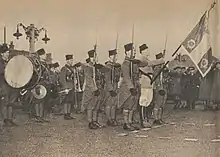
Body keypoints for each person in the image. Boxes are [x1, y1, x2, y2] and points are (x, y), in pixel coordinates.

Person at [118, 43, 140, 131]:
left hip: (134, 87)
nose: (134, 53)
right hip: (127, 89)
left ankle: (130, 122)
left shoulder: (133, 63)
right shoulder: (125, 64)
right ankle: (126, 123)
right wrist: (131, 87)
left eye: (134, 51)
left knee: (132, 106)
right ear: (127, 52)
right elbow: (126, 77)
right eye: (132, 51)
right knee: (127, 106)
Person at [81, 49, 104, 129]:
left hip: (97, 88)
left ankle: (95, 121)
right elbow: (89, 80)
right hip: (91, 90)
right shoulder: (88, 67)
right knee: (90, 107)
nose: (96, 58)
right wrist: (95, 89)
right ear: (91, 58)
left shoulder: (95, 67)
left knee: (96, 106)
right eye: (95, 56)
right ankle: (90, 122)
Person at [0, 45, 19, 126]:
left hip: (10, 84)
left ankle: (10, 119)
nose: (8, 54)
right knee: (5, 102)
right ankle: (5, 119)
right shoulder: (1, 62)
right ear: (2, 54)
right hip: (3, 84)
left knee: (11, 102)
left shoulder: (8, 62)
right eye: (6, 52)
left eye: (8, 52)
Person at [104, 49, 121, 126]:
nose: (116, 57)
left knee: (114, 104)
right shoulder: (108, 66)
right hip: (109, 88)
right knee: (109, 104)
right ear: (111, 56)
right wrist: (110, 89)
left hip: (115, 86)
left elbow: (117, 76)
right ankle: (109, 119)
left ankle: (113, 119)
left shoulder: (115, 66)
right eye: (115, 56)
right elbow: (107, 79)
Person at [152, 53, 167, 125]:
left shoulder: (163, 68)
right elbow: (156, 79)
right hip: (158, 88)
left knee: (162, 104)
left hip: (163, 87)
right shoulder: (156, 69)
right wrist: (159, 88)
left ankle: (160, 118)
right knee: (158, 103)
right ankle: (156, 118)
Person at [59, 54, 76, 120]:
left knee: (70, 101)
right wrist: (65, 88)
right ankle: (66, 114)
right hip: (67, 87)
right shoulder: (64, 68)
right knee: (66, 101)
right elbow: (62, 79)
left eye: (72, 60)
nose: (72, 61)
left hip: (71, 86)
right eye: (70, 60)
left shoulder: (71, 68)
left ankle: (68, 114)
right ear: (67, 60)